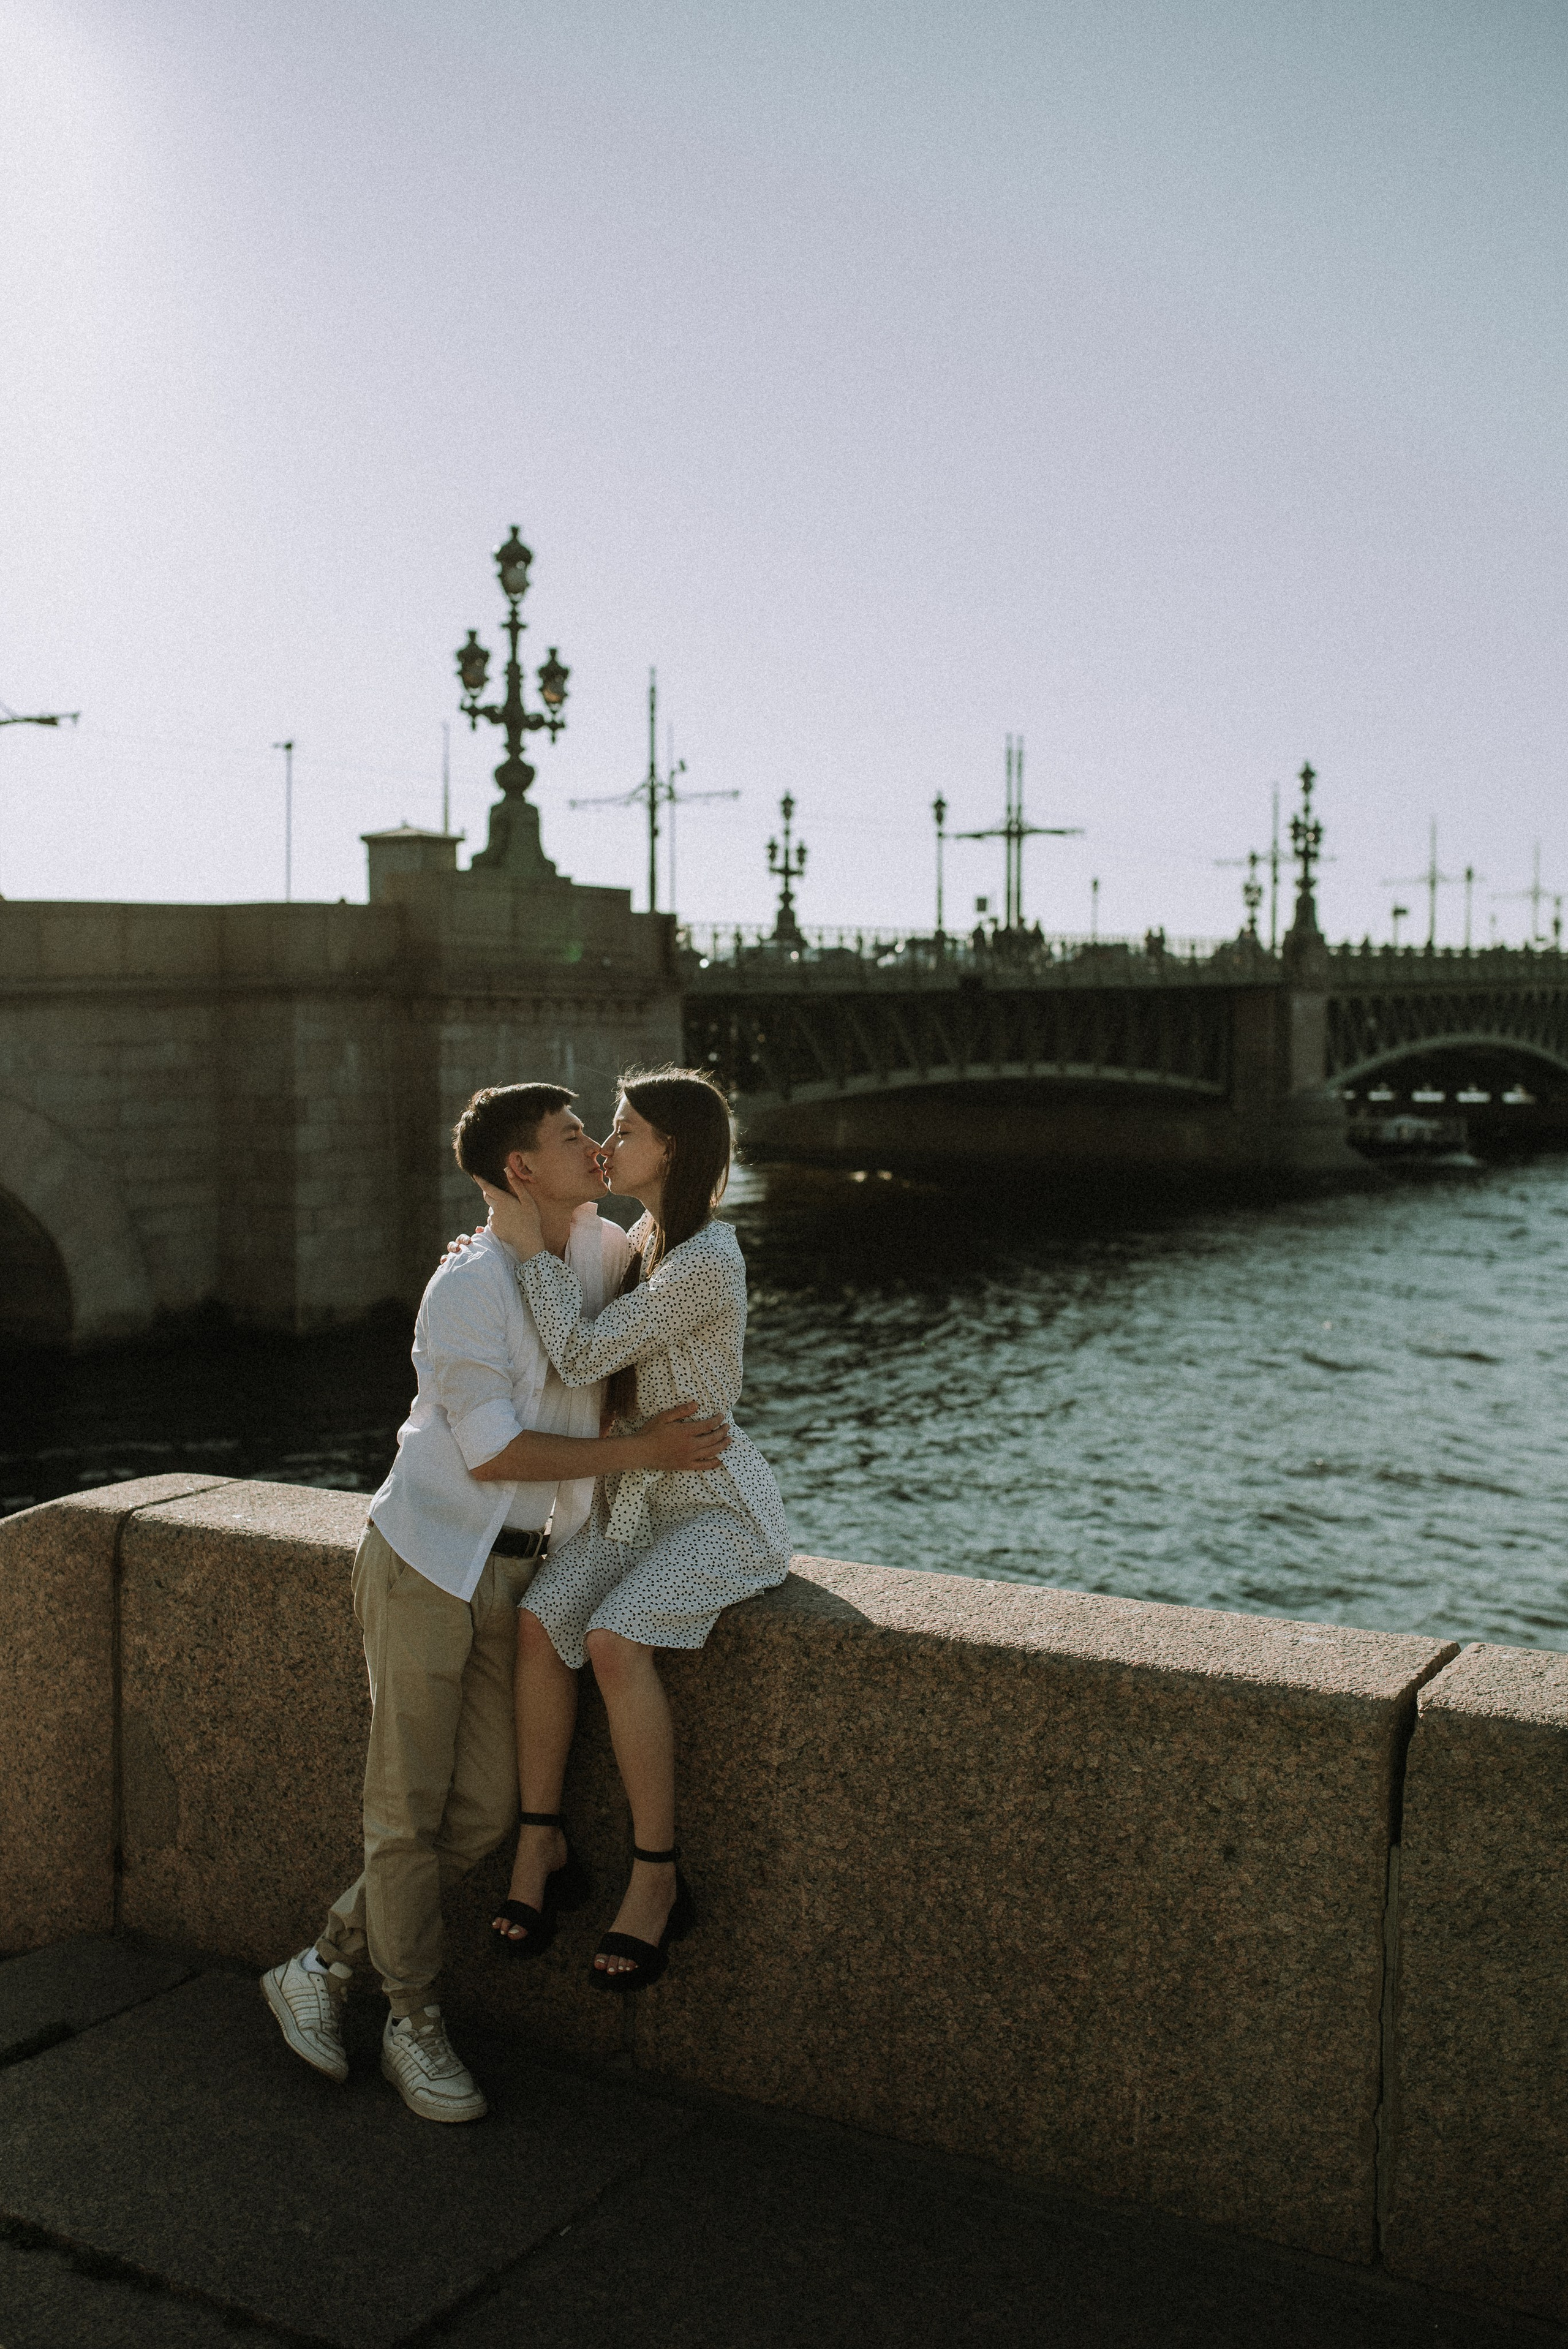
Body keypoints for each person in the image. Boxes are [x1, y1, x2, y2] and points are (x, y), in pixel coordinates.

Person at [260, 1082, 730, 2122]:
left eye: (601, 1134)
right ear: (521, 1169)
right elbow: (494, 1453)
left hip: (521, 1571)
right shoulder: (464, 1288)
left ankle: (324, 1965)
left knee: (485, 1810)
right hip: (426, 1559)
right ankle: (412, 2021)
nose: (597, 1149)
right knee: (405, 1808)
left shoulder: (605, 1254)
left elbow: (685, 1288)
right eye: (574, 1137)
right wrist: (639, 1455)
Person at [481, 1065, 791, 1993]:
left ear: (673, 1150)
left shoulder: (707, 1261)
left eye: (625, 1131)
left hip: (716, 1508)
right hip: (635, 1504)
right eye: (607, 1130)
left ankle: (657, 1876)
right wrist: (494, 1249)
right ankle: (543, 1843)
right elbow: (584, 1299)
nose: (607, 1147)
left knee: (615, 1640)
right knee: (540, 1623)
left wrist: (524, 1245)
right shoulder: (646, 1241)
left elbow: (580, 1352)